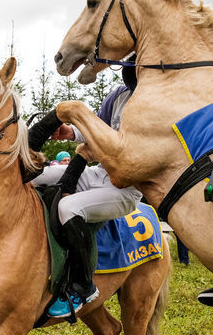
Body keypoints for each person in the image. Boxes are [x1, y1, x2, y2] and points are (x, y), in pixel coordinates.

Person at [28, 59, 142, 317]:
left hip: (125, 187)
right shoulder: (118, 94)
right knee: (37, 177)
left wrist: (92, 149)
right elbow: (96, 126)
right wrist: (71, 132)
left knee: (68, 207)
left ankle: (82, 284)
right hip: (98, 172)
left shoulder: (157, 99)